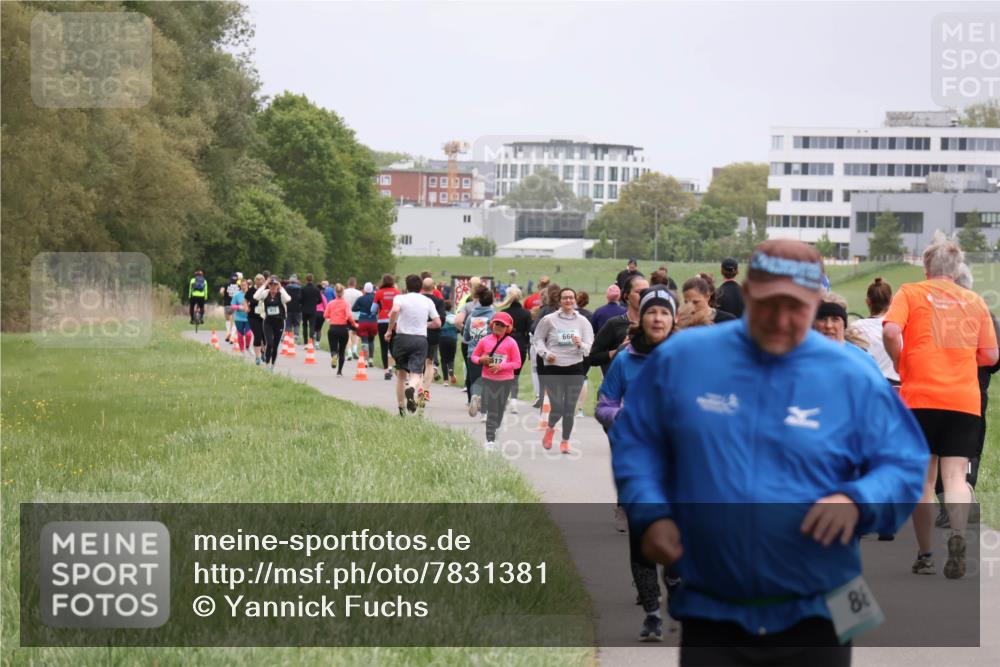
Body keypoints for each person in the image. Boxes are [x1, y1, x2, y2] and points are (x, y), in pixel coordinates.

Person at [612, 239, 928, 665]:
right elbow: (639, 443)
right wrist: (651, 512)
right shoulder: (685, 359)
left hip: (822, 608)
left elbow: (904, 461)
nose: (781, 319)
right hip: (713, 608)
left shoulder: (851, 375)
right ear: (747, 291)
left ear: (817, 300)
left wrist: (858, 501)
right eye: (768, 304)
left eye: (796, 307)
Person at [882, 236, 998, 579]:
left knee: (924, 480)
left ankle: (926, 553)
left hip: (919, 397)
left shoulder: (911, 292)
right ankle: (959, 536)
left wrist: (901, 362)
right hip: (963, 399)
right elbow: (991, 356)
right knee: (955, 476)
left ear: (926, 267)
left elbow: (890, 330)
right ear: (958, 269)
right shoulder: (975, 301)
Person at [596, 286, 677, 642]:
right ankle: (652, 614)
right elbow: (604, 403)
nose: (658, 318)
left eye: (664, 312)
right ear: (641, 318)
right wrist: (622, 416)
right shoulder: (626, 360)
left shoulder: (686, 357)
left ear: (673, 319)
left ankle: (675, 578)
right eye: (651, 312)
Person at [533, 288, 594, 453]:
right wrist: (546, 353)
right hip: (553, 368)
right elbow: (538, 339)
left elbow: (589, 345)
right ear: (559, 301)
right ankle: (550, 428)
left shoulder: (582, 322)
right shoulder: (548, 319)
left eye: (571, 298)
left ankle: (565, 441)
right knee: (557, 407)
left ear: (574, 300)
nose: (568, 300)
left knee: (569, 408)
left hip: (575, 368)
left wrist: (580, 344)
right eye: (565, 298)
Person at [385, 274, 441, 415]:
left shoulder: (400, 298)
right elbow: (437, 323)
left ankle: (401, 408)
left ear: (407, 286)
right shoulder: (427, 301)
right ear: (420, 287)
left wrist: (389, 329)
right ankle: (411, 387)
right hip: (419, 340)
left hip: (402, 338)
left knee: (401, 375)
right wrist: (424, 324)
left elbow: (395, 310)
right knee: (416, 373)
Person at [470, 312, 523, 451]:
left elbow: (517, 363)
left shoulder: (511, 343)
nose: (498, 327)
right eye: (496, 324)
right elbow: (474, 356)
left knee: (500, 409)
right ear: (492, 324)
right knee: (492, 410)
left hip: (505, 380)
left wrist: (501, 366)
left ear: (508, 328)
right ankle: (490, 440)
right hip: (488, 379)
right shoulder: (485, 340)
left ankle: (483, 406)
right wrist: (481, 360)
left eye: (502, 325)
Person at [588, 275, 650, 376]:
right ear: (626, 296)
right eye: (639, 292)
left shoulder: (656, 325)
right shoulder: (614, 324)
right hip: (620, 386)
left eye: (647, 292)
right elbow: (593, 357)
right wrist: (619, 351)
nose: (644, 296)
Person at [850, 278, 900, 387]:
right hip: (898, 389)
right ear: (891, 300)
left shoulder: (855, 328)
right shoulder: (899, 327)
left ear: (867, 301)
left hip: (870, 387)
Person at [462, 287, 496, 417]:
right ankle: (485, 413)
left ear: (479, 301)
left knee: (476, 380)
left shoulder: (471, 317)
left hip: (473, 354)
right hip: (489, 354)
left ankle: (475, 396)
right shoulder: (494, 316)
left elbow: (465, 338)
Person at [499, 286, 532, 413]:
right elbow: (529, 331)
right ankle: (514, 401)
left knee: (503, 373)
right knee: (515, 376)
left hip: (505, 346)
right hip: (520, 346)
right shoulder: (526, 313)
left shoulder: (504, 312)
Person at [254, 277, 291, 371]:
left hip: (279, 322)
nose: (273, 286)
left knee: (275, 345)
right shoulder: (265, 293)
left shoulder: (281, 295)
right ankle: (266, 364)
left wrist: (281, 287)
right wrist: (265, 284)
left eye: (275, 284)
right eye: (271, 284)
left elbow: (288, 299)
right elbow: (256, 296)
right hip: (268, 322)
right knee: (269, 343)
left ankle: (272, 365)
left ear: (277, 285)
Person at [323, 283, 358, 376]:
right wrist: (354, 324)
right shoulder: (346, 304)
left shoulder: (331, 303)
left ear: (335, 292)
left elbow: (325, 315)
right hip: (343, 329)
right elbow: (349, 315)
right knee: (342, 351)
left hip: (333, 328)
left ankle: (334, 355)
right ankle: (339, 372)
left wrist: (333, 315)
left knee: (334, 349)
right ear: (343, 293)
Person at [420, 277, 447, 399]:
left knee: (418, 362)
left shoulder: (418, 300)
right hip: (433, 335)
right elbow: (442, 319)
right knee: (429, 362)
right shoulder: (439, 301)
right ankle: (426, 391)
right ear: (433, 287)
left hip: (418, 334)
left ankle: (418, 386)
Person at [374, 274, 400, 380]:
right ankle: (398, 368)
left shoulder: (379, 293)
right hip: (395, 322)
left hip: (382, 321)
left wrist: (380, 309)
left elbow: (373, 309)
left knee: (384, 346)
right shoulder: (397, 292)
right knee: (394, 346)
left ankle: (386, 371)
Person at [353, 282, 378, 363]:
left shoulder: (360, 299)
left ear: (364, 289)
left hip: (363, 321)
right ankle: (371, 359)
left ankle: (365, 360)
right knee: (371, 340)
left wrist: (360, 308)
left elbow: (353, 309)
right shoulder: (375, 298)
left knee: (364, 341)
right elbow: (378, 309)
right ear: (372, 289)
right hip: (373, 321)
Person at [245, 274, 266, 365]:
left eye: (261, 280)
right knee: (257, 335)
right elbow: (245, 299)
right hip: (252, 316)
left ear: (264, 281)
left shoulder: (266, 290)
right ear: (255, 281)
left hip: (264, 316)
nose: (259, 282)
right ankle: (257, 357)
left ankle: (263, 352)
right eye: (257, 280)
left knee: (264, 336)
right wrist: (246, 307)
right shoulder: (251, 290)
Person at [300, 274, 323, 349]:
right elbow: (320, 300)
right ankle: (311, 342)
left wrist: (303, 303)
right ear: (312, 279)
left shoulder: (303, 288)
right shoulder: (316, 289)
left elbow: (299, 299)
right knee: (312, 326)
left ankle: (306, 342)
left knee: (305, 325)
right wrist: (315, 303)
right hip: (313, 309)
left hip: (304, 309)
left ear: (306, 279)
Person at [342, 277, 363, 360]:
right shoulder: (359, 293)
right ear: (355, 284)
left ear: (348, 284)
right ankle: (355, 349)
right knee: (356, 333)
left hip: (346, 315)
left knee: (348, 334)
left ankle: (349, 352)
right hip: (357, 316)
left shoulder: (344, 292)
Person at [439, 301, 459, 385]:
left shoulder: (441, 317)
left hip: (442, 339)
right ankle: (451, 369)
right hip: (452, 339)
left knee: (443, 359)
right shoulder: (455, 317)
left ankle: (445, 381)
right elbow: (458, 329)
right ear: (451, 308)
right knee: (451, 358)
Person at [230, 278, 251, 353]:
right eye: (242, 285)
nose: (243, 286)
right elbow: (232, 306)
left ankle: (248, 347)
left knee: (248, 334)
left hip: (249, 318)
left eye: (244, 285)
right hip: (239, 318)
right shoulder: (237, 295)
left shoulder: (251, 294)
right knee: (240, 335)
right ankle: (242, 350)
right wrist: (240, 307)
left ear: (247, 285)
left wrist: (249, 307)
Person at [221, 273, 241, 343]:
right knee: (235, 322)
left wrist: (224, 297)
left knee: (227, 320)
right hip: (235, 305)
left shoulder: (226, 284)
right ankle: (232, 337)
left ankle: (228, 332)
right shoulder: (239, 286)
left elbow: (221, 291)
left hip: (227, 304)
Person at [284, 274, 304, 344]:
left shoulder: (286, 288)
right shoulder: (300, 288)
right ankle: (296, 335)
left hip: (288, 308)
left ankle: (287, 336)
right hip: (298, 308)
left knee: (288, 323)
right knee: (297, 323)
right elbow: (302, 299)